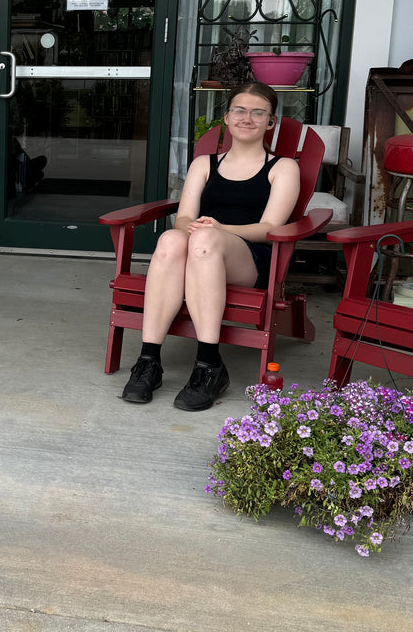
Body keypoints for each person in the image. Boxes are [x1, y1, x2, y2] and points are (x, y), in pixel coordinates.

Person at [120, 81, 299, 411]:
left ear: (271, 122)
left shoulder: (283, 168)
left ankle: (208, 364)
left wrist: (218, 229)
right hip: (201, 250)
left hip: (249, 258)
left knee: (201, 238)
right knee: (172, 238)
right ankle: (149, 360)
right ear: (226, 118)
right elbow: (183, 219)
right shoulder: (204, 164)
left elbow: (270, 228)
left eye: (258, 113)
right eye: (240, 111)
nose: (248, 118)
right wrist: (202, 230)